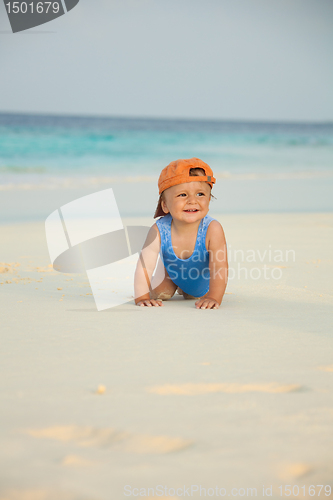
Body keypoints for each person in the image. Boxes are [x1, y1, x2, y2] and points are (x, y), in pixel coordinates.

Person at [134, 158, 228, 309]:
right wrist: (141, 297)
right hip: (171, 274)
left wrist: (214, 296)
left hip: (200, 285)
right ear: (165, 205)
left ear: (209, 200)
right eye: (183, 195)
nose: (192, 200)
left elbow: (220, 267)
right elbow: (144, 266)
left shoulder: (212, 229)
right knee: (159, 292)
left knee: (193, 295)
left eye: (200, 194)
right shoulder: (159, 229)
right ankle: (168, 277)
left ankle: (186, 289)